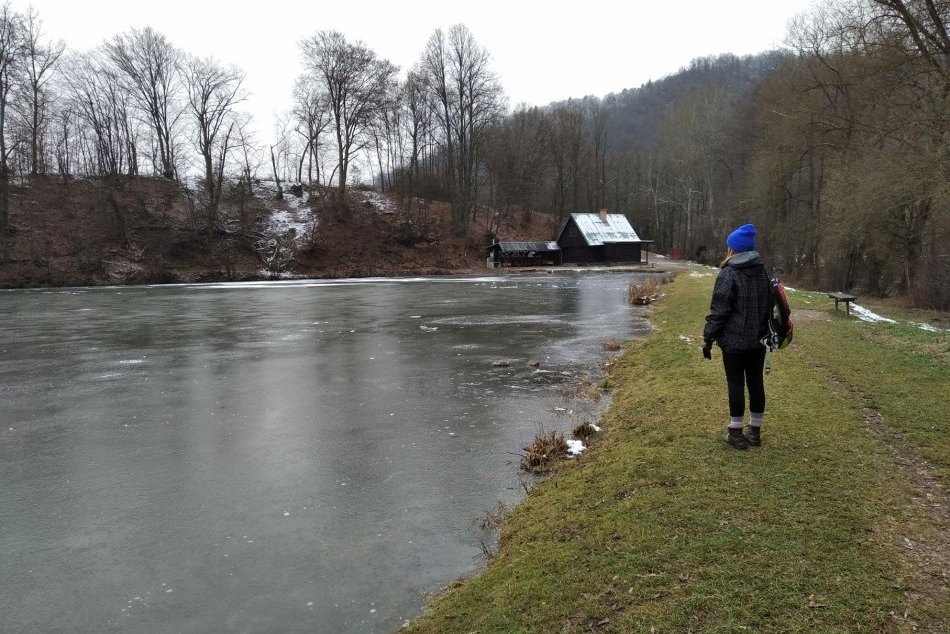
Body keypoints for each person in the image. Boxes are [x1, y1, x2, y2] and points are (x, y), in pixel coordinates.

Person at [702, 223, 772, 450]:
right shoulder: (763, 271)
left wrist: (708, 338)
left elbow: (719, 311)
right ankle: (755, 432)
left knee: (736, 384)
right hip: (759, 340)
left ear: (733, 249)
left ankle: (735, 433)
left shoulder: (729, 273)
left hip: (733, 342)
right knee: (756, 383)